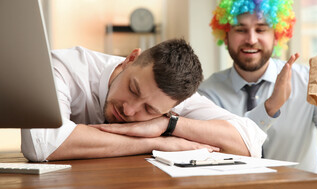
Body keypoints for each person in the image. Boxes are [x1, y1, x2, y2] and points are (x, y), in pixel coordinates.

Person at [198, 0, 317, 173]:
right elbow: (214, 155)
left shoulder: (310, 84)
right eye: (241, 29)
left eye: (261, 29)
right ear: (225, 35)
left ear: (277, 35)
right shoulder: (207, 94)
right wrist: (269, 107)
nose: (251, 39)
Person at [21, 38, 266, 162]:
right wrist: (157, 143)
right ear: (131, 59)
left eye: (149, 109)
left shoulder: (174, 98)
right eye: (133, 88)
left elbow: (250, 143)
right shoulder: (61, 66)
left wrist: (169, 126)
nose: (128, 109)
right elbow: (42, 143)